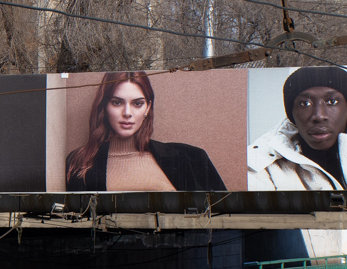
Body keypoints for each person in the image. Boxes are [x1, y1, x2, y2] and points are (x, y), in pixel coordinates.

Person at [66, 72, 227, 192]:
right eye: (117, 102)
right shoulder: (79, 162)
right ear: (105, 106)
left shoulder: (191, 158)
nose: (127, 113)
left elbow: (225, 219)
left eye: (137, 103)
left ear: (148, 107)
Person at [248, 66, 347, 191]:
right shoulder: (258, 165)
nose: (319, 116)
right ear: (291, 114)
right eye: (305, 103)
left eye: (332, 101)